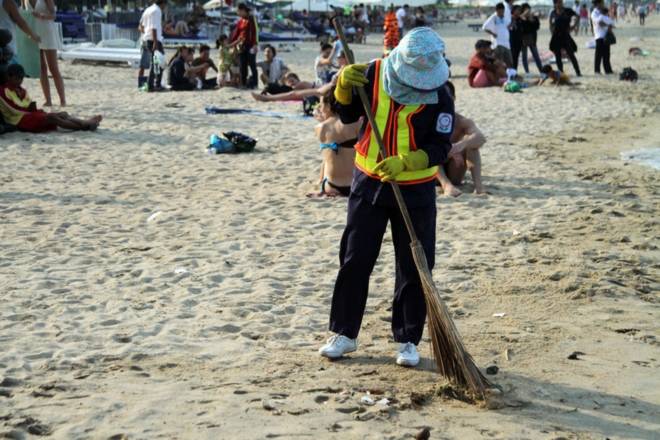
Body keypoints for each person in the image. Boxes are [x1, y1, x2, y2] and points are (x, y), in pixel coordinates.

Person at [318, 28, 454, 368]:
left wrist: (409, 161)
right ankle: (344, 333)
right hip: (369, 182)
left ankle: (408, 339)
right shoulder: (372, 73)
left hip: (416, 190)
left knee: (414, 266)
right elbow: (348, 117)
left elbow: (441, 146)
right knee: (355, 257)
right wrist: (343, 88)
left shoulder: (441, 93)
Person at [0, 64, 101, 132]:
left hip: (29, 115)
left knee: (63, 114)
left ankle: (85, 124)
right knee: (52, 118)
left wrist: (32, 108)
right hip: (19, 120)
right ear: (9, 77)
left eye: (22, 78)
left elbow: (27, 103)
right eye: (18, 78)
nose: (20, 81)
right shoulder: (3, 91)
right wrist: (29, 109)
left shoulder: (21, 90)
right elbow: (13, 109)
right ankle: (84, 126)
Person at [437, 81, 486, 197]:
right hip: (434, 172)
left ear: (453, 98)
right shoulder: (429, 120)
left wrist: (459, 146)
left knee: (472, 146)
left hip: (455, 170)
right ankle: (446, 186)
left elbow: (481, 138)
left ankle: (479, 187)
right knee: (430, 149)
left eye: (446, 96)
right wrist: (448, 150)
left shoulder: (461, 121)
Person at [309, 88, 360, 198]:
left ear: (328, 106)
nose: (319, 108)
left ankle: (321, 180)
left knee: (329, 152)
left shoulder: (320, 127)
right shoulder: (356, 123)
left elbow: (327, 157)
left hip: (332, 186)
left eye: (321, 104)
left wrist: (322, 121)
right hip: (355, 184)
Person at [28, 0, 64, 107]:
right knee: (41, 68)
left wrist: (41, 15)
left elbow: (53, 15)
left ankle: (62, 99)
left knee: (53, 68)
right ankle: (48, 100)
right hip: (34, 33)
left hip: (47, 32)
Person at [549, 0, 581, 76]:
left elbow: (577, 16)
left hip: (565, 35)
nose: (560, 3)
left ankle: (578, 72)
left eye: (561, 2)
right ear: (555, 4)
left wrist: (573, 26)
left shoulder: (568, 11)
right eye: (558, 2)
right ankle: (561, 72)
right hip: (556, 36)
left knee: (571, 54)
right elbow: (550, 24)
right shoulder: (553, 12)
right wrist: (552, 32)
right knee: (558, 56)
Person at [140, 0, 167, 92]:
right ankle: (153, 84)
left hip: (148, 39)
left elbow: (141, 26)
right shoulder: (157, 10)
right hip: (155, 40)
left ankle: (154, 84)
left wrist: (146, 35)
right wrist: (155, 41)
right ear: (163, 3)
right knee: (160, 62)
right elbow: (154, 28)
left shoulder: (148, 10)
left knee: (156, 63)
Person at [230, 3, 258, 89]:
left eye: (238, 11)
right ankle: (244, 83)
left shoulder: (251, 18)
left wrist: (255, 44)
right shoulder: (240, 21)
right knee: (243, 65)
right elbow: (236, 33)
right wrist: (231, 43)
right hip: (241, 46)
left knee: (252, 64)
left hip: (251, 45)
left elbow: (255, 32)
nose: (237, 13)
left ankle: (255, 83)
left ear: (242, 10)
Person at [482, 3, 512, 67]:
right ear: (496, 10)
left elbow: (508, 27)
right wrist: (493, 34)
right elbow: (484, 27)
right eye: (500, 11)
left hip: (506, 43)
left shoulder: (505, 17)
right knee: (499, 62)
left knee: (509, 62)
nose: (501, 13)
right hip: (497, 43)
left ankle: (509, 75)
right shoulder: (494, 17)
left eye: (502, 11)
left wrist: (512, 21)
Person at [519, 3, 543, 74]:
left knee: (536, 56)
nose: (527, 11)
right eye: (525, 10)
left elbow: (537, 27)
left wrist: (531, 19)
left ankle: (541, 71)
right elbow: (523, 29)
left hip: (532, 39)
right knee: (524, 57)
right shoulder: (521, 18)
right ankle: (527, 72)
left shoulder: (533, 17)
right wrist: (524, 18)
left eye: (528, 9)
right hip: (523, 40)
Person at [592, 0, 614, 74]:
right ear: (598, 3)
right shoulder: (594, 13)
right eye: (602, 3)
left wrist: (609, 26)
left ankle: (608, 70)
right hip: (599, 36)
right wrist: (608, 25)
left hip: (606, 35)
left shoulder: (604, 12)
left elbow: (609, 21)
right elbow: (600, 23)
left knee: (607, 54)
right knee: (598, 55)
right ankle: (597, 70)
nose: (603, 4)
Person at [509, 5, 523, 71]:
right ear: (513, 11)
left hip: (519, 42)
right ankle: (510, 73)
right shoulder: (509, 18)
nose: (518, 11)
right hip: (511, 42)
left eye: (519, 10)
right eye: (517, 10)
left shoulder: (520, 19)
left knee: (516, 58)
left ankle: (514, 72)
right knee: (511, 58)